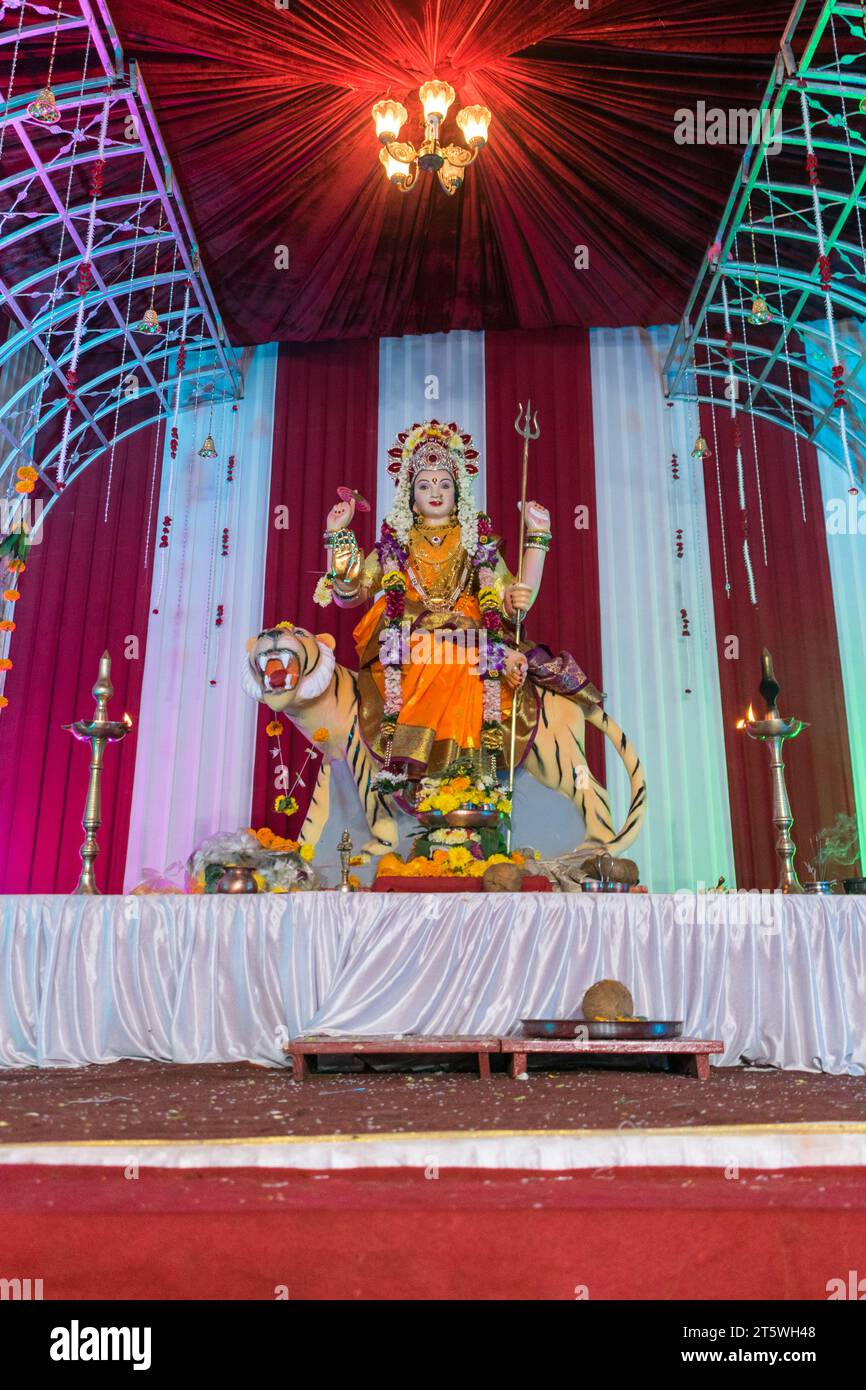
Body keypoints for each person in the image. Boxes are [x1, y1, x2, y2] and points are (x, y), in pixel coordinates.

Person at [315, 419, 597, 788]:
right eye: (425, 484)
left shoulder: (476, 542)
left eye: (445, 484)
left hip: (469, 632)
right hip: (411, 633)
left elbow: (513, 603)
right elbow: (350, 593)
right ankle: (418, 767)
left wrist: (538, 538)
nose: (435, 492)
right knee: (433, 655)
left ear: (458, 491)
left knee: (473, 661)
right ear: (409, 495)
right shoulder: (395, 543)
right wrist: (337, 536)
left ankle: (466, 774)